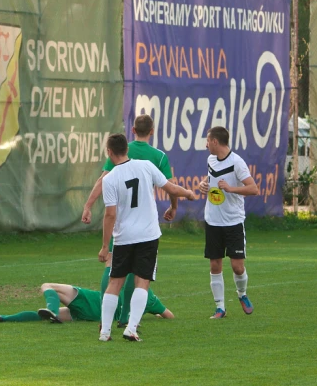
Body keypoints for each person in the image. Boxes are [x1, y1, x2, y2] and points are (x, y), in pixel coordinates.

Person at [98, 133, 197, 342]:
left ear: (109, 152)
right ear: (126, 148)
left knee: (115, 282)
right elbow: (170, 188)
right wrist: (187, 193)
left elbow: (110, 214)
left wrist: (105, 246)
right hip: (147, 236)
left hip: (124, 237)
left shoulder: (109, 179)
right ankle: (131, 328)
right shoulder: (146, 166)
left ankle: (105, 332)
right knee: (142, 282)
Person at [81, 114, 178, 313]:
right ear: (152, 131)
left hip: (121, 222)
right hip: (144, 223)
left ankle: (106, 315)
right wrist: (173, 207)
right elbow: (171, 186)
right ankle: (126, 316)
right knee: (138, 273)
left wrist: (88, 205)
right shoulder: (158, 156)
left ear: (133, 131)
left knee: (113, 268)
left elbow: (103, 179)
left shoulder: (123, 151)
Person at [198, 127, 259, 319]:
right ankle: (220, 308)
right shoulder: (210, 160)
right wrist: (202, 184)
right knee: (215, 265)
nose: (206, 145)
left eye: (208, 141)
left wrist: (231, 188)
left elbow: (254, 189)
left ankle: (242, 294)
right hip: (213, 220)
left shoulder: (237, 162)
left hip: (233, 221)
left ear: (215, 142)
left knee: (237, 267)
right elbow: (211, 179)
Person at [0, 283, 173, 323]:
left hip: (92, 302)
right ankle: (0, 318)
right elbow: (169, 315)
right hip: (94, 316)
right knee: (42, 318)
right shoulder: (149, 298)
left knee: (47, 286)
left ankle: (51, 309)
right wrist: (156, 314)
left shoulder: (123, 277)